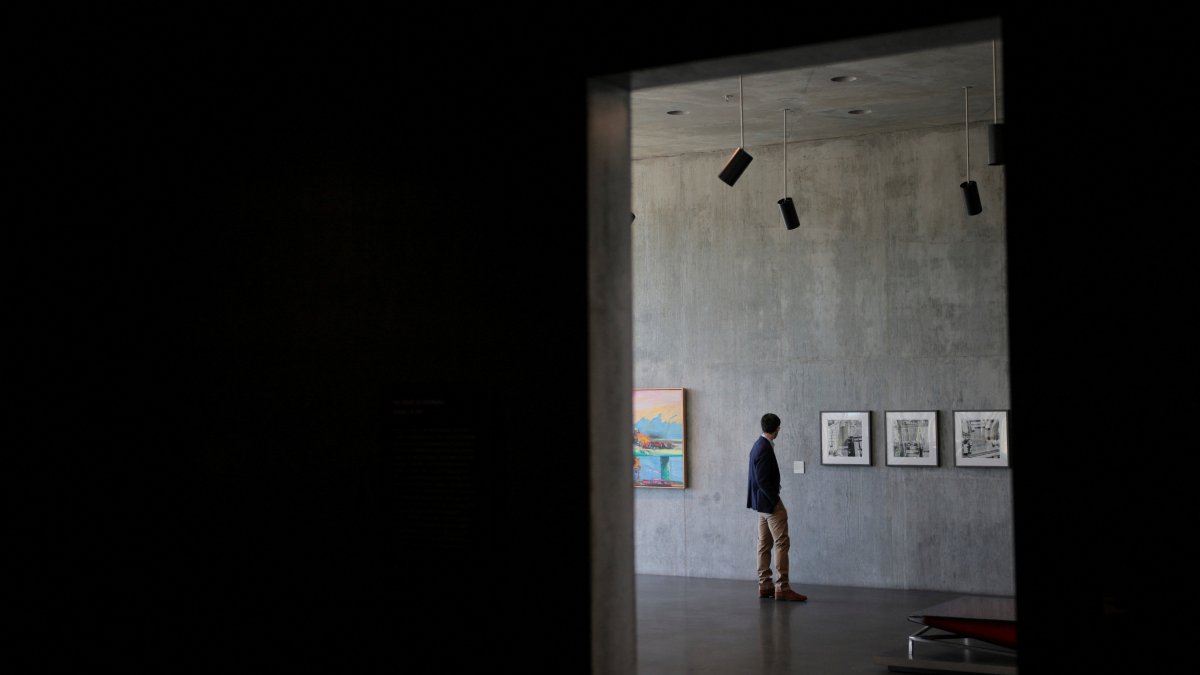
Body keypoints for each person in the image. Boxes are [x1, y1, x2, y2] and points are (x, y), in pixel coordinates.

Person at [746, 413, 808, 602]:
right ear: (776, 429)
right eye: (779, 428)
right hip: (769, 504)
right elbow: (762, 480)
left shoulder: (757, 445)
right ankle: (782, 587)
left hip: (760, 504)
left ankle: (765, 585)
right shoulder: (764, 448)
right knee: (782, 543)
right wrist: (775, 500)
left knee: (764, 544)